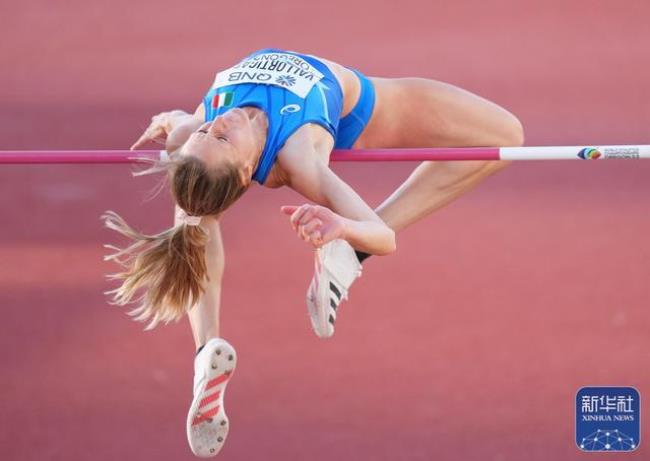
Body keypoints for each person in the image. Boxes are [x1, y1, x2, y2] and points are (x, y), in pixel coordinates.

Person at [103, 48, 523, 457]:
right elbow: (384, 237)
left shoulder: (192, 133)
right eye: (222, 137)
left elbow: (180, 125)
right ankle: (346, 255)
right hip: (363, 112)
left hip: (237, 145)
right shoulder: (300, 157)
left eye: (208, 131)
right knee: (505, 135)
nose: (219, 123)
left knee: (194, 200)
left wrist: (171, 122)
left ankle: (205, 351)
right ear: (247, 172)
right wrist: (343, 227)